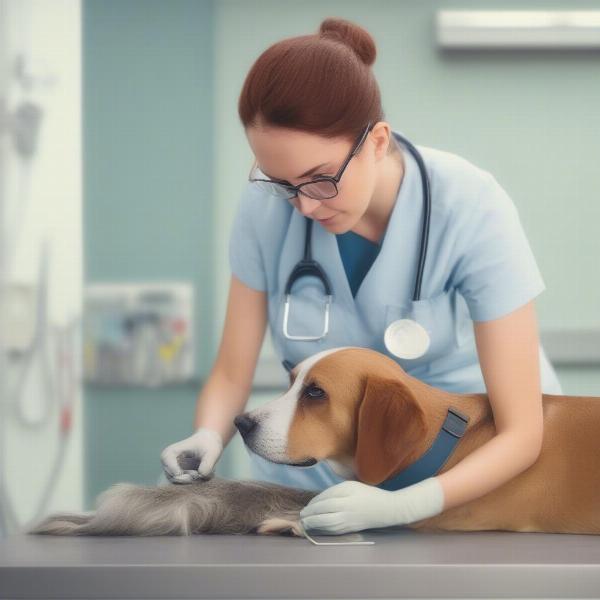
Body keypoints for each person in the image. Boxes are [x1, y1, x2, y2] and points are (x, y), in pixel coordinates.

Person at [161, 17, 563, 533]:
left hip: (467, 475)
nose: (303, 205)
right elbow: (231, 373)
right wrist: (208, 435)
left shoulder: (471, 205)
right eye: (282, 182)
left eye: (320, 179)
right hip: (321, 478)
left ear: (376, 141)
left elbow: (523, 432)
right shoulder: (265, 210)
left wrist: (409, 504)